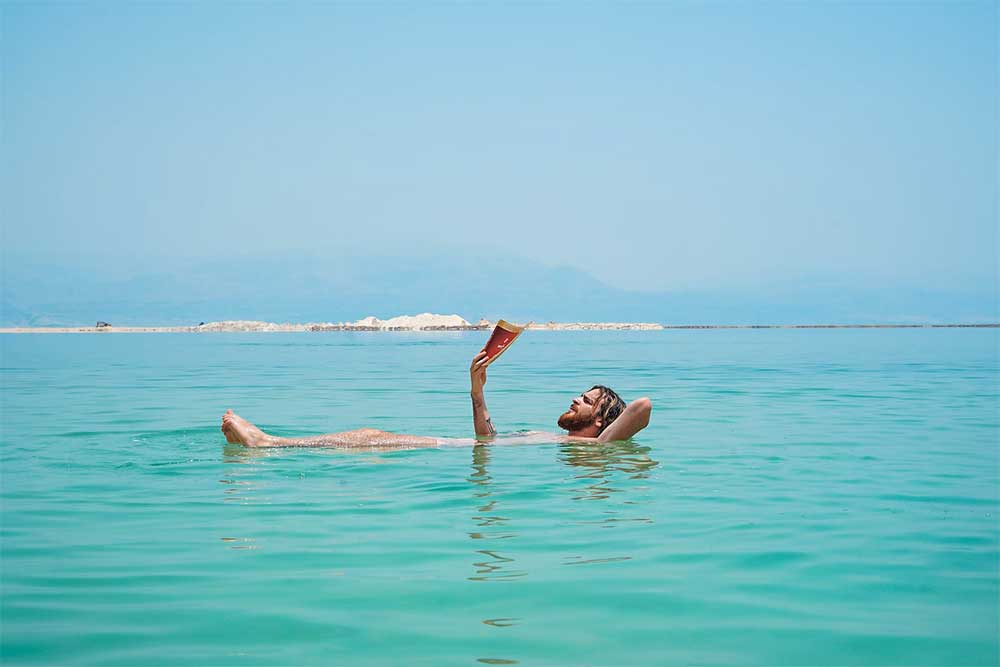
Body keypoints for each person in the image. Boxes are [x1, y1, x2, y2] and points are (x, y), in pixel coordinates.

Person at [220, 350, 652, 448]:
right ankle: (271, 443)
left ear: (601, 420)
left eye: (587, 400)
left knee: (371, 439)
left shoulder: (596, 449)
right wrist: (477, 389)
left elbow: (642, 406)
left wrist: (604, 436)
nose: (575, 399)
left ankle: (269, 444)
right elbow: (488, 440)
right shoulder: (571, 446)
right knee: (371, 437)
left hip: (448, 452)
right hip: (465, 448)